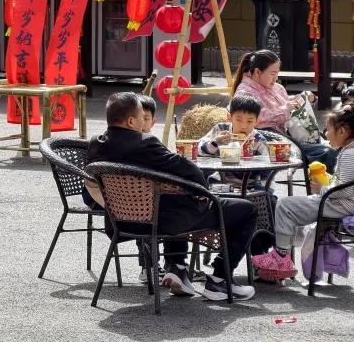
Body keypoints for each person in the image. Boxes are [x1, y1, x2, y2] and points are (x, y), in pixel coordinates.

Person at [87, 92, 258, 301]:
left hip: (121, 221)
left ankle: (177, 268)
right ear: (131, 121)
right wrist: (202, 193)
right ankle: (221, 279)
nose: (143, 122)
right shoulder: (144, 142)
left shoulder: (96, 143)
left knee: (175, 199)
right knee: (247, 209)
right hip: (164, 221)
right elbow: (187, 169)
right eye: (141, 117)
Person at [253, 105, 354, 282]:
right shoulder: (349, 150)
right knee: (293, 207)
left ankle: (281, 256)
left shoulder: (350, 154)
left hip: (340, 205)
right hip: (340, 203)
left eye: (328, 129)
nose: (326, 133)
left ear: (342, 132)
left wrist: (321, 189)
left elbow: (345, 190)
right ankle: (283, 252)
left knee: (285, 205)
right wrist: (327, 179)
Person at [233, 49, 337, 171]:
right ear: (257, 72)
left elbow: (288, 102)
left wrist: (305, 97)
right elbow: (256, 118)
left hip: (290, 137)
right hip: (272, 144)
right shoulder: (244, 92)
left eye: (277, 73)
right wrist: (285, 110)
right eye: (272, 73)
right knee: (327, 152)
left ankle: (323, 182)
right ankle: (325, 183)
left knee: (335, 147)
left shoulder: (277, 88)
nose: (276, 78)